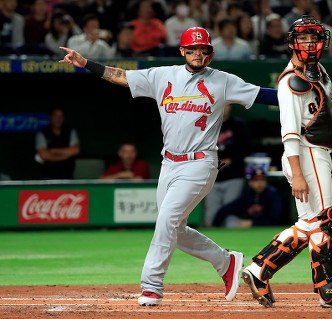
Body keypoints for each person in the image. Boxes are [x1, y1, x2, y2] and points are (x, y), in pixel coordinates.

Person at [59, 26, 278, 306]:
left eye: (204, 49)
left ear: (210, 53)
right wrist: (85, 63)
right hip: (170, 163)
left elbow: (263, 95)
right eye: (193, 49)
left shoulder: (223, 81)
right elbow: (121, 76)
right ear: (183, 51)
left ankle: (151, 285)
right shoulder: (163, 75)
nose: (198, 54)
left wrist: (300, 92)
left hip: (200, 164)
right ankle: (226, 262)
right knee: (175, 229)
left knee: (166, 221)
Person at [241, 15, 332, 309]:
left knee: (310, 222)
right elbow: (290, 132)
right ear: (292, 43)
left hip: (316, 151)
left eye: (314, 37)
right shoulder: (290, 80)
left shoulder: (318, 70)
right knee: (325, 220)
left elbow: (323, 110)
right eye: (304, 38)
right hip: (305, 154)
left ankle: (259, 270)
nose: (310, 43)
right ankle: (328, 293)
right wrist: (297, 173)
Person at [204, 104, 252, 227]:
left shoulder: (238, 125)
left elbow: (246, 149)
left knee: (230, 214)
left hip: (234, 176)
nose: (223, 108)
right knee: (211, 216)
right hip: (213, 177)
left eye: (226, 105)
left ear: (230, 107)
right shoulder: (209, 124)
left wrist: (229, 161)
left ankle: (231, 242)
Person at [212, 167, 283, 228]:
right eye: (256, 180)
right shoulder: (248, 195)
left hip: (269, 229)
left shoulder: (272, 194)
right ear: (250, 182)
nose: (259, 183)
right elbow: (226, 209)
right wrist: (215, 225)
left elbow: (276, 219)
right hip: (249, 228)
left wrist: (253, 223)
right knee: (231, 222)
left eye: (262, 180)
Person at [35, 106, 80, 180]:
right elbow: (44, 155)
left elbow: (75, 150)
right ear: (50, 117)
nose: (58, 119)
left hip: (67, 176)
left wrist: (54, 151)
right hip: (48, 177)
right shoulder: (42, 133)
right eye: (55, 116)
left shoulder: (70, 131)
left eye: (61, 116)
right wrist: (65, 156)